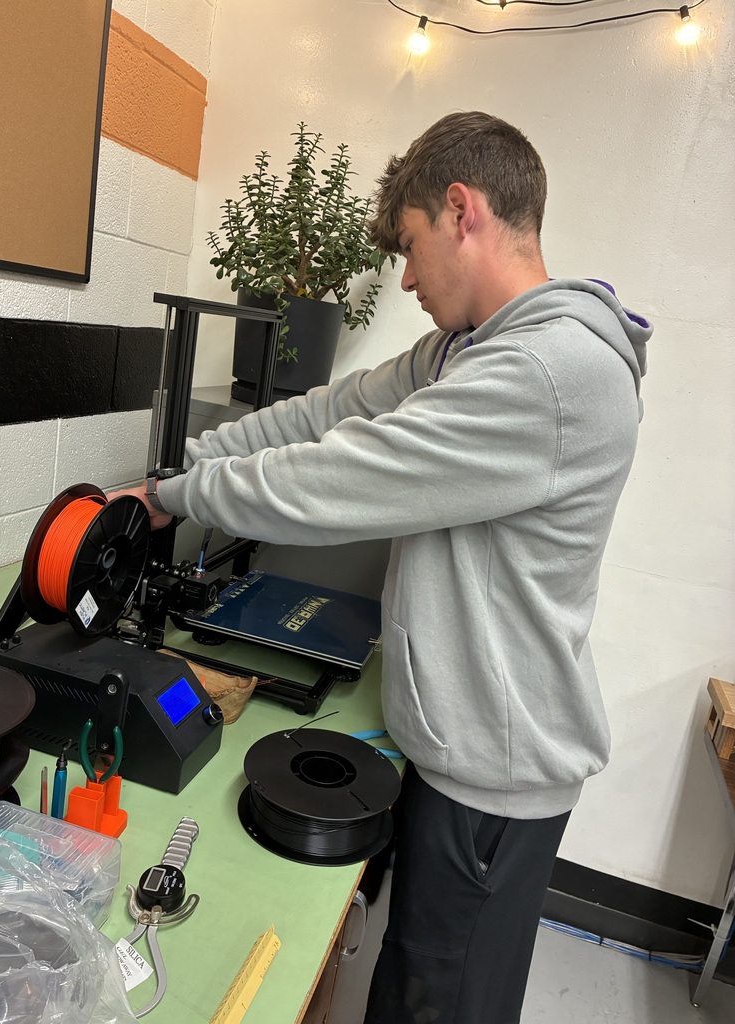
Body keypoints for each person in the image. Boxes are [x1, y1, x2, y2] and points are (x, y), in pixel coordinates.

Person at [111, 111, 651, 1023]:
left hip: (494, 777)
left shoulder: (552, 373)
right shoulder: (465, 350)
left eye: (408, 246)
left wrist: (179, 504)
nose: (403, 276)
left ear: (460, 210)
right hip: (449, 746)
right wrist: (185, 471)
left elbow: (340, 475)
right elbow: (324, 416)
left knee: (435, 1005)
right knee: (408, 979)